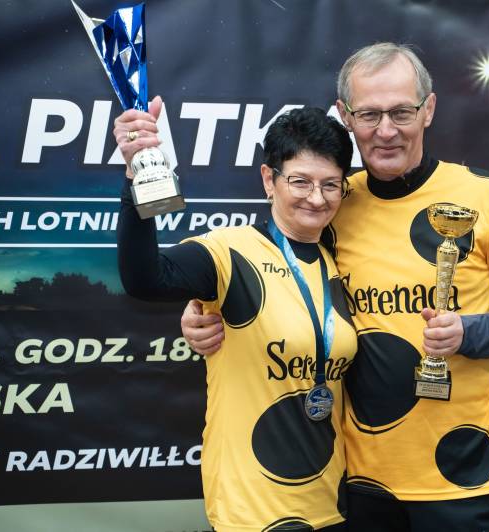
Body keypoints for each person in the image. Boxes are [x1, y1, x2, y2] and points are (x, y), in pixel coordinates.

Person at [184, 43, 489, 531]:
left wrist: (470, 333)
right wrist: (202, 312)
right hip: (357, 479)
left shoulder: (487, 195)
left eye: (401, 112)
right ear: (346, 117)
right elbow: (267, 276)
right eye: (369, 114)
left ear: (428, 110)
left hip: (462, 472)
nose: (386, 130)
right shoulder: (332, 203)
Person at [114, 103, 356, 531]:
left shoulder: (338, 261)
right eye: (300, 181)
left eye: (330, 185)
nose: (317, 198)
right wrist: (137, 177)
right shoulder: (229, 251)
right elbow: (146, 279)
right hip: (252, 509)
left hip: (331, 502)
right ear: (268, 179)